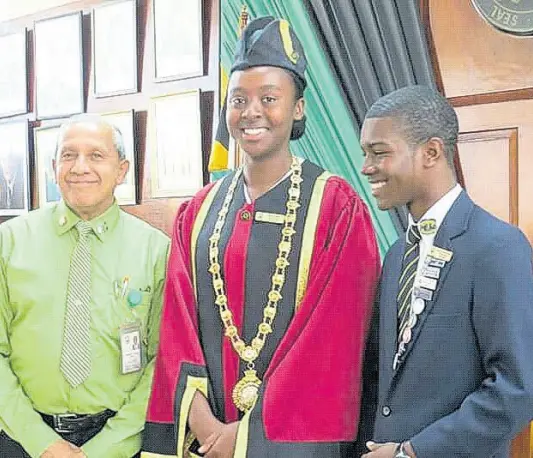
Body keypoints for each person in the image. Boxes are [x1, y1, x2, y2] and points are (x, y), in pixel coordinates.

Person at [141, 16, 380, 458]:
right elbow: (177, 324)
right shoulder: (198, 211)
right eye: (239, 100)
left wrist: (248, 437)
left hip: (293, 442)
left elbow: (335, 341)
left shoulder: (336, 207)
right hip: (207, 434)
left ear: (298, 108)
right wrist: (206, 426)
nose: (251, 112)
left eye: (269, 98)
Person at [358, 85, 533, 458]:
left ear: (431, 152)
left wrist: (412, 452)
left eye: (379, 153)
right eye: (364, 154)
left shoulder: (497, 247)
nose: (366, 167)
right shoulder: (396, 256)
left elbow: (517, 388)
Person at [0, 114, 170, 458]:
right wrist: (40, 442)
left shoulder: (156, 250)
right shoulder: (10, 242)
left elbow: (162, 360)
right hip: (21, 439)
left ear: (121, 170)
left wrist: (108, 447)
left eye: (96, 155)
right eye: (68, 155)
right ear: (53, 167)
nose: (80, 167)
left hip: (119, 441)